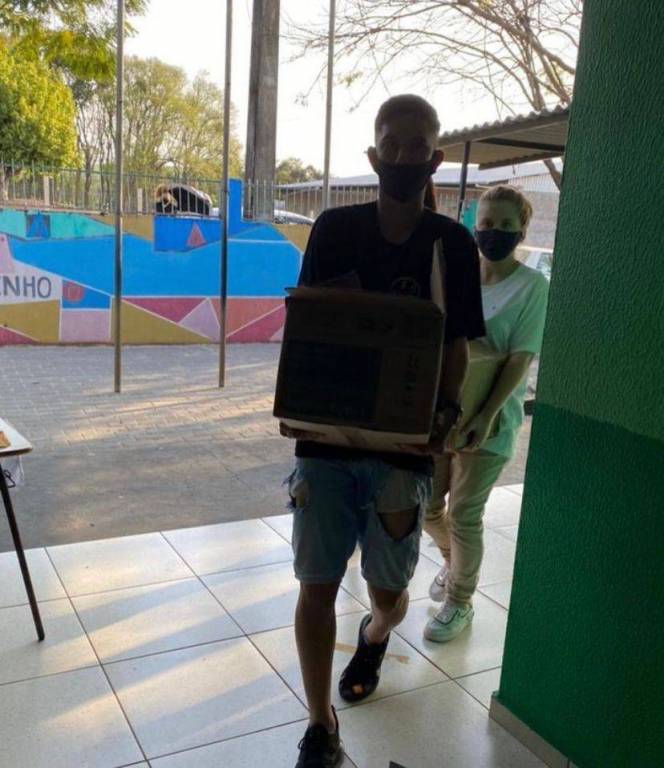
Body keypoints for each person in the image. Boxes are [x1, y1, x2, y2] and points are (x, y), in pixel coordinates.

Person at [281, 94, 485, 768]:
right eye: (391, 145)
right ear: (373, 155)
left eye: (415, 146)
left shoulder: (452, 244)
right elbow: (311, 322)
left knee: (390, 596)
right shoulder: (334, 229)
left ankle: (374, 634)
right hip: (325, 448)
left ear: (435, 156)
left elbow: (456, 345)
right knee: (315, 584)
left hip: (405, 453)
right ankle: (321, 725)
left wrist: (446, 416)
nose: (402, 157)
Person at [422, 184, 549, 643]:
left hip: (491, 420)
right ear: (475, 225)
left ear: (521, 231)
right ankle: (451, 561)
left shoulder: (532, 287)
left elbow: (519, 357)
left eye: (506, 225)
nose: (495, 232)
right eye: (487, 223)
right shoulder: (461, 277)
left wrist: (487, 415)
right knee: (427, 507)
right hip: (443, 415)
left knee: (464, 514)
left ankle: (460, 602)